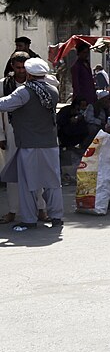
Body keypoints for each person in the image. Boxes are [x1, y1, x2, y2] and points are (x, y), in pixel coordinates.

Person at [0, 58, 64, 231]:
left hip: (28, 144)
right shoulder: (52, 90)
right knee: (52, 183)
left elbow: (3, 104)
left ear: (28, 74)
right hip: (50, 144)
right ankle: (57, 217)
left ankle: (29, 219)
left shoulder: (24, 92)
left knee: (28, 184)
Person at [1, 52, 47, 224]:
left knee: (37, 171)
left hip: (33, 135)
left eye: (24, 67)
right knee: (12, 174)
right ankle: (13, 210)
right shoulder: (4, 85)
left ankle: (41, 208)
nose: (21, 71)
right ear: (12, 66)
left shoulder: (39, 84)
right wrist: (1, 135)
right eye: (18, 67)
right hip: (11, 136)